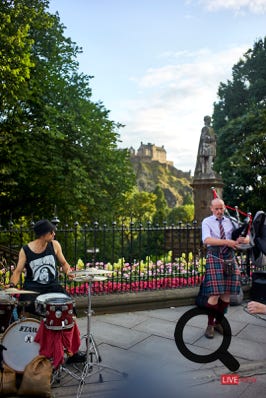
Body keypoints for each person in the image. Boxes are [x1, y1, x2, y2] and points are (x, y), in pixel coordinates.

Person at [7, 219, 85, 364]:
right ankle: (41, 348)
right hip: (33, 289)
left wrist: (68, 271)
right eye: (51, 232)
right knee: (34, 309)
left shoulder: (54, 245)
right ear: (43, 234)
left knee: (69, 310)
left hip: (53, 287)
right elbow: (17, 271)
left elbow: (63, 263)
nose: (54, 234)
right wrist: (12, 284)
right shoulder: (25, 250)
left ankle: (71, 352)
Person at [199, 198, 250, 338]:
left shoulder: (231, 221)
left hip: (229, 258)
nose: (219, 211)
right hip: (215, 257)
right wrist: (227, 242)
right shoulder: (207, 222)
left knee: (227, 294)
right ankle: (210, 325)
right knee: (215, 293)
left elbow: (247, 239)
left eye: (221, 208)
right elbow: (207, 240)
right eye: (216, 209)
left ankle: (218, 323)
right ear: (211, 209)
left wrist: (242, 239)